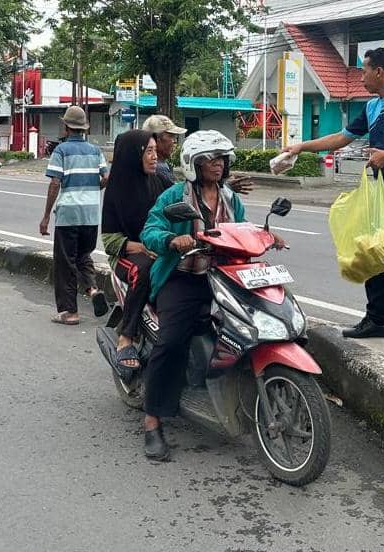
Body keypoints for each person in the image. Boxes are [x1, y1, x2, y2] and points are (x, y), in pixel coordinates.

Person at [139, 130, 284, 460]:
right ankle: (152, 420)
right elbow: (150, 230)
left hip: (227, 277)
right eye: (210, 159)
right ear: (193, 164)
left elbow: (243, 230)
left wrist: (267, 236)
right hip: (185, 279)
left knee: (257, 324)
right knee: (171, 340)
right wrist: (171, 241)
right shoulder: (175, 197)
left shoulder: (231, 199)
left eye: (221, 159)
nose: (218, 165)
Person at [283, 47, 384, 351]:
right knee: (373, 251)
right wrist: (301, 147)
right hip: (380, 189)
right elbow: (341, 138)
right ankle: (376, 319)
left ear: (379, 71)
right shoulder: (371, 108)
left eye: (364, 70)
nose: (361, 76)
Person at [101, 130, 167, 374]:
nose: (154, 157)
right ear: (133, 155)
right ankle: (126, 336)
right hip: (127, 256)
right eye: (148, 151)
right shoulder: (117, 189)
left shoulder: (159, 180)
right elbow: (109, 240)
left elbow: (183, 194)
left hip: (160, 248)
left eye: (154, 151)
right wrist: (140, 247)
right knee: (144, 270)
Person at [40, 106, 109, 325]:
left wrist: (46, 216)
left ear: (66, 127)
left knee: (65, 263)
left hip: (68, 215)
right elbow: (106, 177)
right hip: (90, 216)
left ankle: (70, 312)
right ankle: (93, 289)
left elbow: (54, 182)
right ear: (84, 129)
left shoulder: (61, 151)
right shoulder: (95, 151)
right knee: (83, 256)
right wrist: (92, 188)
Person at [142, 114, 254, 194]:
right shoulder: (157, 167)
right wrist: (224, 187)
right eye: (171, 137)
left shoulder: (160, 165)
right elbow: (182, 196)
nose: (174, 141)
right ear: (155, 139)